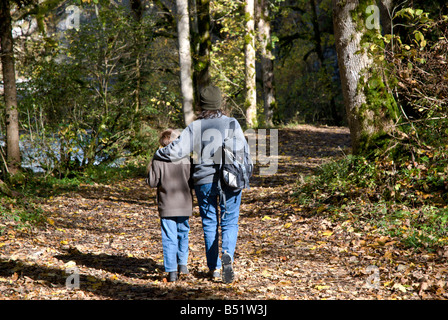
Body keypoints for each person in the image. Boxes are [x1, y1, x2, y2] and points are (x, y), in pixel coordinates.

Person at [153, 85, 251, 283]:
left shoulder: (195, 127)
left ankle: (214, 268)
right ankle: (227, 255)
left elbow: (177, 151)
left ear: (201, 105)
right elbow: (244, 152)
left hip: (204, 180)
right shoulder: (232, 123)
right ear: (219, 103)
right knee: (230, 221)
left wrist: (159, 153)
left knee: (209, 222)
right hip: (230, 180)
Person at [146, 129, 193, 282]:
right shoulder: (186, 158)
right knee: (183, 233)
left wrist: (150, 168)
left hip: (166, 203)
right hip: (184, 202)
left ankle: (172, 271)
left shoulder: (158, 159)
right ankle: (183, 264)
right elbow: (192, 181)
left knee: (169, 236)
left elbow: (152, 182)